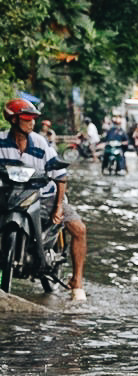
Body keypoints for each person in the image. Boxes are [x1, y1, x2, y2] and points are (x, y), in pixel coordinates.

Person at [1, 98, 88, 300]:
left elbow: (61, 175)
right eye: (26, 119)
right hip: (8, 196)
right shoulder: (0, 142)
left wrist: (58, 206)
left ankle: (77, 281)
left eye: (33, 119)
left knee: (79, 229)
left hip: (44, 197)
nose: (31, 123)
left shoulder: (40, 143)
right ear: (13, 120)